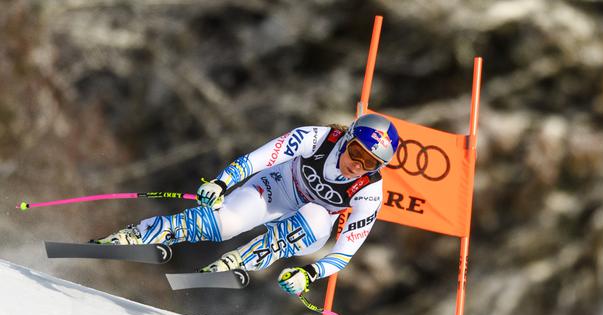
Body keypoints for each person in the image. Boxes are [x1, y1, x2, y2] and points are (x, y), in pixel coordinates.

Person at [93, 113, 400, 296]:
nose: (358, 166)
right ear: (348, 139)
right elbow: (260, 158)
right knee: (223, 224)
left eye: (370, 163)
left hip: (310, 227)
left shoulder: (369, 190)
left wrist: (309, 274)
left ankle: (237, 262)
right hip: (276, 188)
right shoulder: (318, 138)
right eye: (357, 153)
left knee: (317, 216)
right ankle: (138, 234)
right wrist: (221, 182)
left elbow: (346, 250)